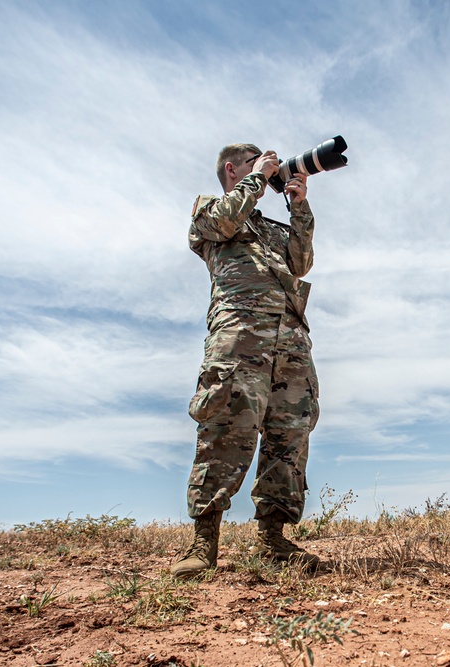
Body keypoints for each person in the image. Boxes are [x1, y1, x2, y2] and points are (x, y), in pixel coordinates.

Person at [171, 143, 322, 579]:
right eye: (256, 164)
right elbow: (222, 221)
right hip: (239, 339)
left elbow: (301, 262)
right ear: (233, 168)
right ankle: (204, 542)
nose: (268, 169)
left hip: (290, 343)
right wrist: (258, 179)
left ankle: (274, 539)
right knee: (225, 428)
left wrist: (300, 207)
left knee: (288, 437)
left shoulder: (268, 228)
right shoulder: (212, 210)